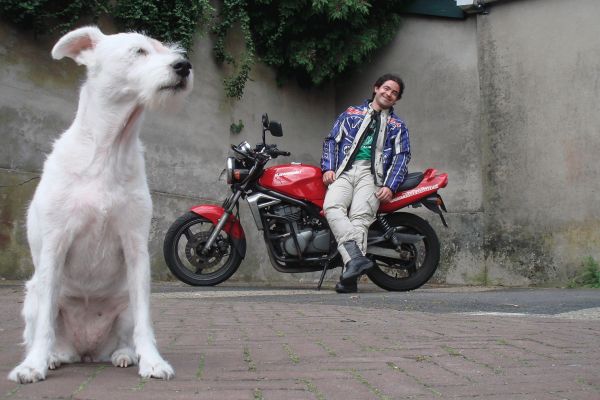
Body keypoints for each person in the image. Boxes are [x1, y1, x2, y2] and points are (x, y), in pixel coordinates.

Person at [321, 73, 411, 293]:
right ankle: (356, 260)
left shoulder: (397, 126)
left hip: (373, 177)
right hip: (344, 171)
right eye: (386, 88)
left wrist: (390, 185)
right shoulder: (350, 114)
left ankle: (348, 279)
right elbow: (333, 140)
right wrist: (329, 167)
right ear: (376, 87)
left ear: (396, 100)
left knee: (359, 219)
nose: (389, 94)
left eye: (394, 93)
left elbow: (402, 156)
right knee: (331, 206)